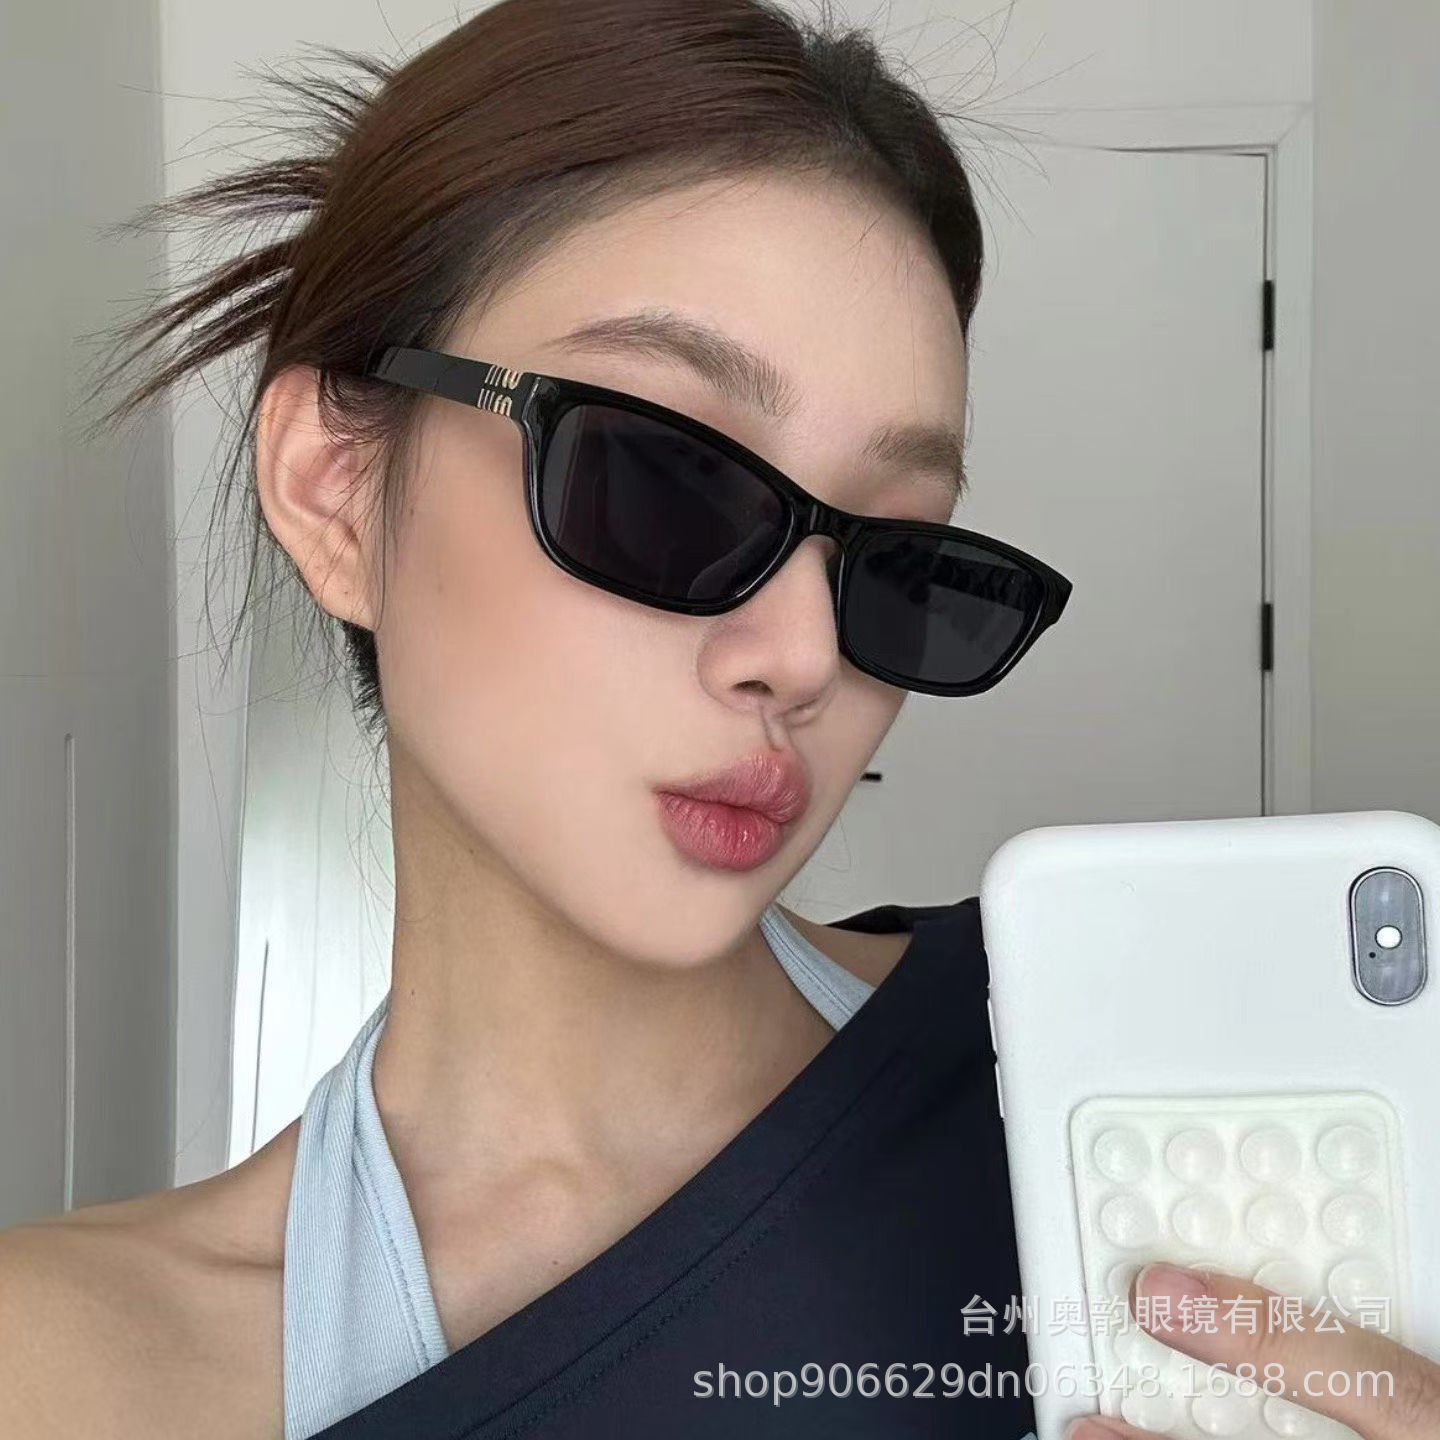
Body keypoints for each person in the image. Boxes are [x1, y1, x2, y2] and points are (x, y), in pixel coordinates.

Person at [4, 2, 1435, 1438]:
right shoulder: (66, 1372)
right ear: (335, 490)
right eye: (661, 480)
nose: (805, 655)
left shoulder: (1165, 1089)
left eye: (896, 557)